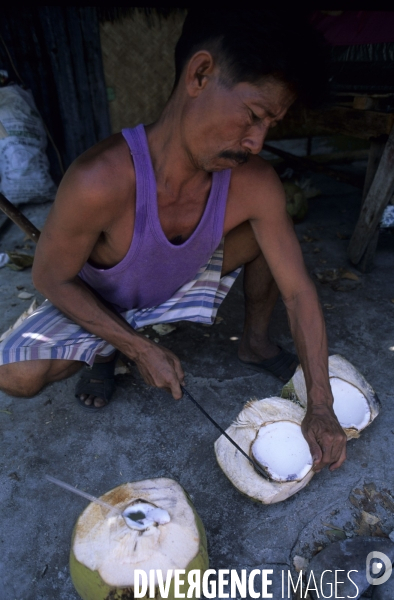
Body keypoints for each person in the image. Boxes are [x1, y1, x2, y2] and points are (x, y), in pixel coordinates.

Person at [0, 9, 346, 472]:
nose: (257, 142)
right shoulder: (99, 178)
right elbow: (49, 275)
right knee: (16, 376)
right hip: (101, 297)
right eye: (253, 116)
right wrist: (140, 348)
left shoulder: (254, 183)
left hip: (177, 281)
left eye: (270, 126)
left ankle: (256, 343)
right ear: (200, 74)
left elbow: (299, 291)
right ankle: (108, 348)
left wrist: (320, 405)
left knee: (272, 232)